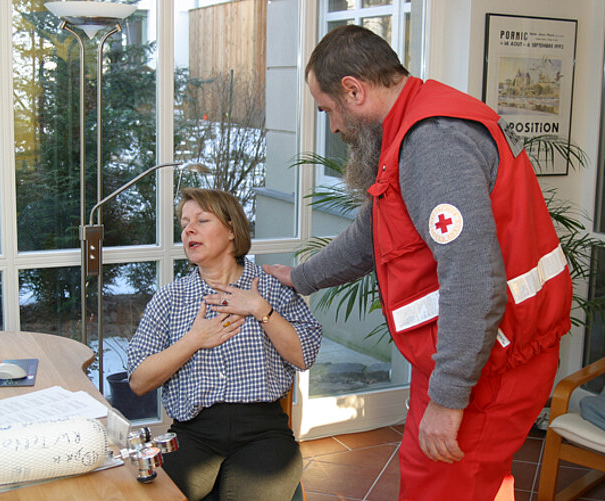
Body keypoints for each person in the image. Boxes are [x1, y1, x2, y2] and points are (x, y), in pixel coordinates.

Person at [264, 25, 573, 501]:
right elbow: (375, 232)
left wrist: (448, 399)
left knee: (443, 486)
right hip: (481, 355)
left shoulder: (433, 144)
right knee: (481, 482)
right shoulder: (419, 121)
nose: (335, 127)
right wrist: (302, 276)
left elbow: (473, 277)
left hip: (491, 366)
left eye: (328, 110)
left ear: (354, 90)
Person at [127, 188, 322, 501]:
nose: (188, 229)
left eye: (202, 220)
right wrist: (194, 340)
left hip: (264, 433)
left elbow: (304, 356)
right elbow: (138, 381)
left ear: (232, 230)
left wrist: (261, 310)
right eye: (184, 222)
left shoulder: (272, 287)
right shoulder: (170, 299)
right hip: (192, 433)